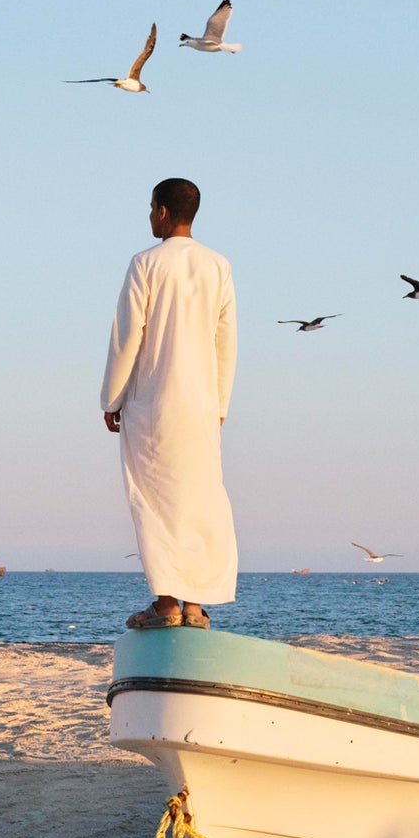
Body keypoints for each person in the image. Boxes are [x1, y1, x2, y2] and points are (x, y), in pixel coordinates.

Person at [102, 178, 237, 630]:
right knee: (200, 498)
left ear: (161, 211)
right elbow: (226, 342)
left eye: (150, 209)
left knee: (155, 498)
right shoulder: (218, 265)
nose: (148, 217)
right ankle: (196, 604)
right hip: (202, 406)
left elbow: (127, 336)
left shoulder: (145, 263)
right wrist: (220, 403)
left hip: (153, 401)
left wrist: (111, 397)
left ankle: (167, 604)